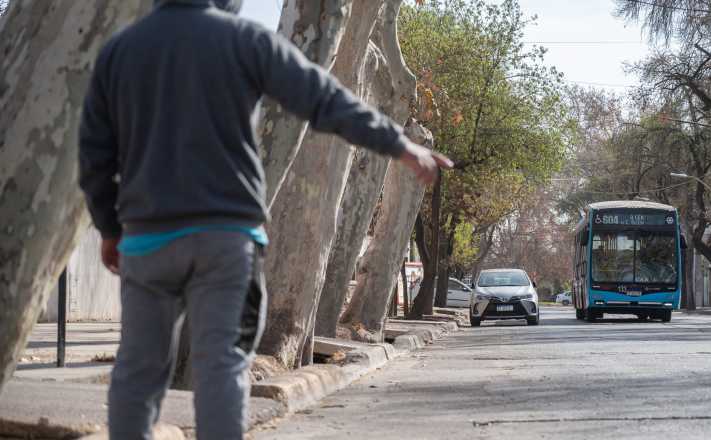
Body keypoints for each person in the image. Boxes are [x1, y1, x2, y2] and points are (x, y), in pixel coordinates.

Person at [77, 0, 452, 438]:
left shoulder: (120, 50)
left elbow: (94, 154)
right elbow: (323, 98)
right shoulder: (245, 41)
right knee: (221, 364)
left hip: (147, 240)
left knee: (137, 371)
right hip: (227, 239)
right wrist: (400, 145)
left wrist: (108, 227)